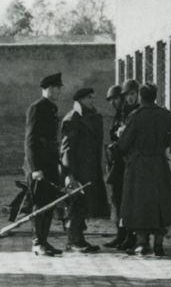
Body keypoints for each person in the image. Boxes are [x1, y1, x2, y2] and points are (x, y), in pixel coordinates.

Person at [114, 83, 171, 256]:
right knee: (160, 202)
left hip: (139, 165)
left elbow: (124, 143)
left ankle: (142, 242)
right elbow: (167, 141)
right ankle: (159, 243)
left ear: (141, 96)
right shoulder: (166, 115)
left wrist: (121, 135)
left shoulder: (136, 116)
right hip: (159, 163)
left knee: (140, 203)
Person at [60, 87, 109, 252]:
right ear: (80, 100)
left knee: (84, 205)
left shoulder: (92, 117)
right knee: (76, 204)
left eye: (93, 97)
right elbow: (66, 149)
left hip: (90, 169)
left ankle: (79, 238)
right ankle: (73, 240)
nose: (93, 100)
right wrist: (69, 174)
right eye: (89, 98)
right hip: (77, 170)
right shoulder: (73, 118)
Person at [24, 72, 64, 257]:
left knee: (49, 203)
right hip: (39, 164)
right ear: (46, 89)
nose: (58, 91)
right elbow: (30, 141)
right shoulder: (37, 108)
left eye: (59, 88)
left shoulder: (51, 108)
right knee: (40, 203)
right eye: (55, 88)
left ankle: (44, 240)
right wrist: (35, 169)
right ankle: (37, 243)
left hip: (49, 163)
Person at [104, 79, 140, 249]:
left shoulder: (132, 112)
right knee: (117, 199)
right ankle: (121, 234)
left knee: (127, 200)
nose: (114, 102)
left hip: (127, 162)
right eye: (111, 100)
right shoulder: (120, 114)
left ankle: (130, 236)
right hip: (117, 162)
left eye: (116, 98)